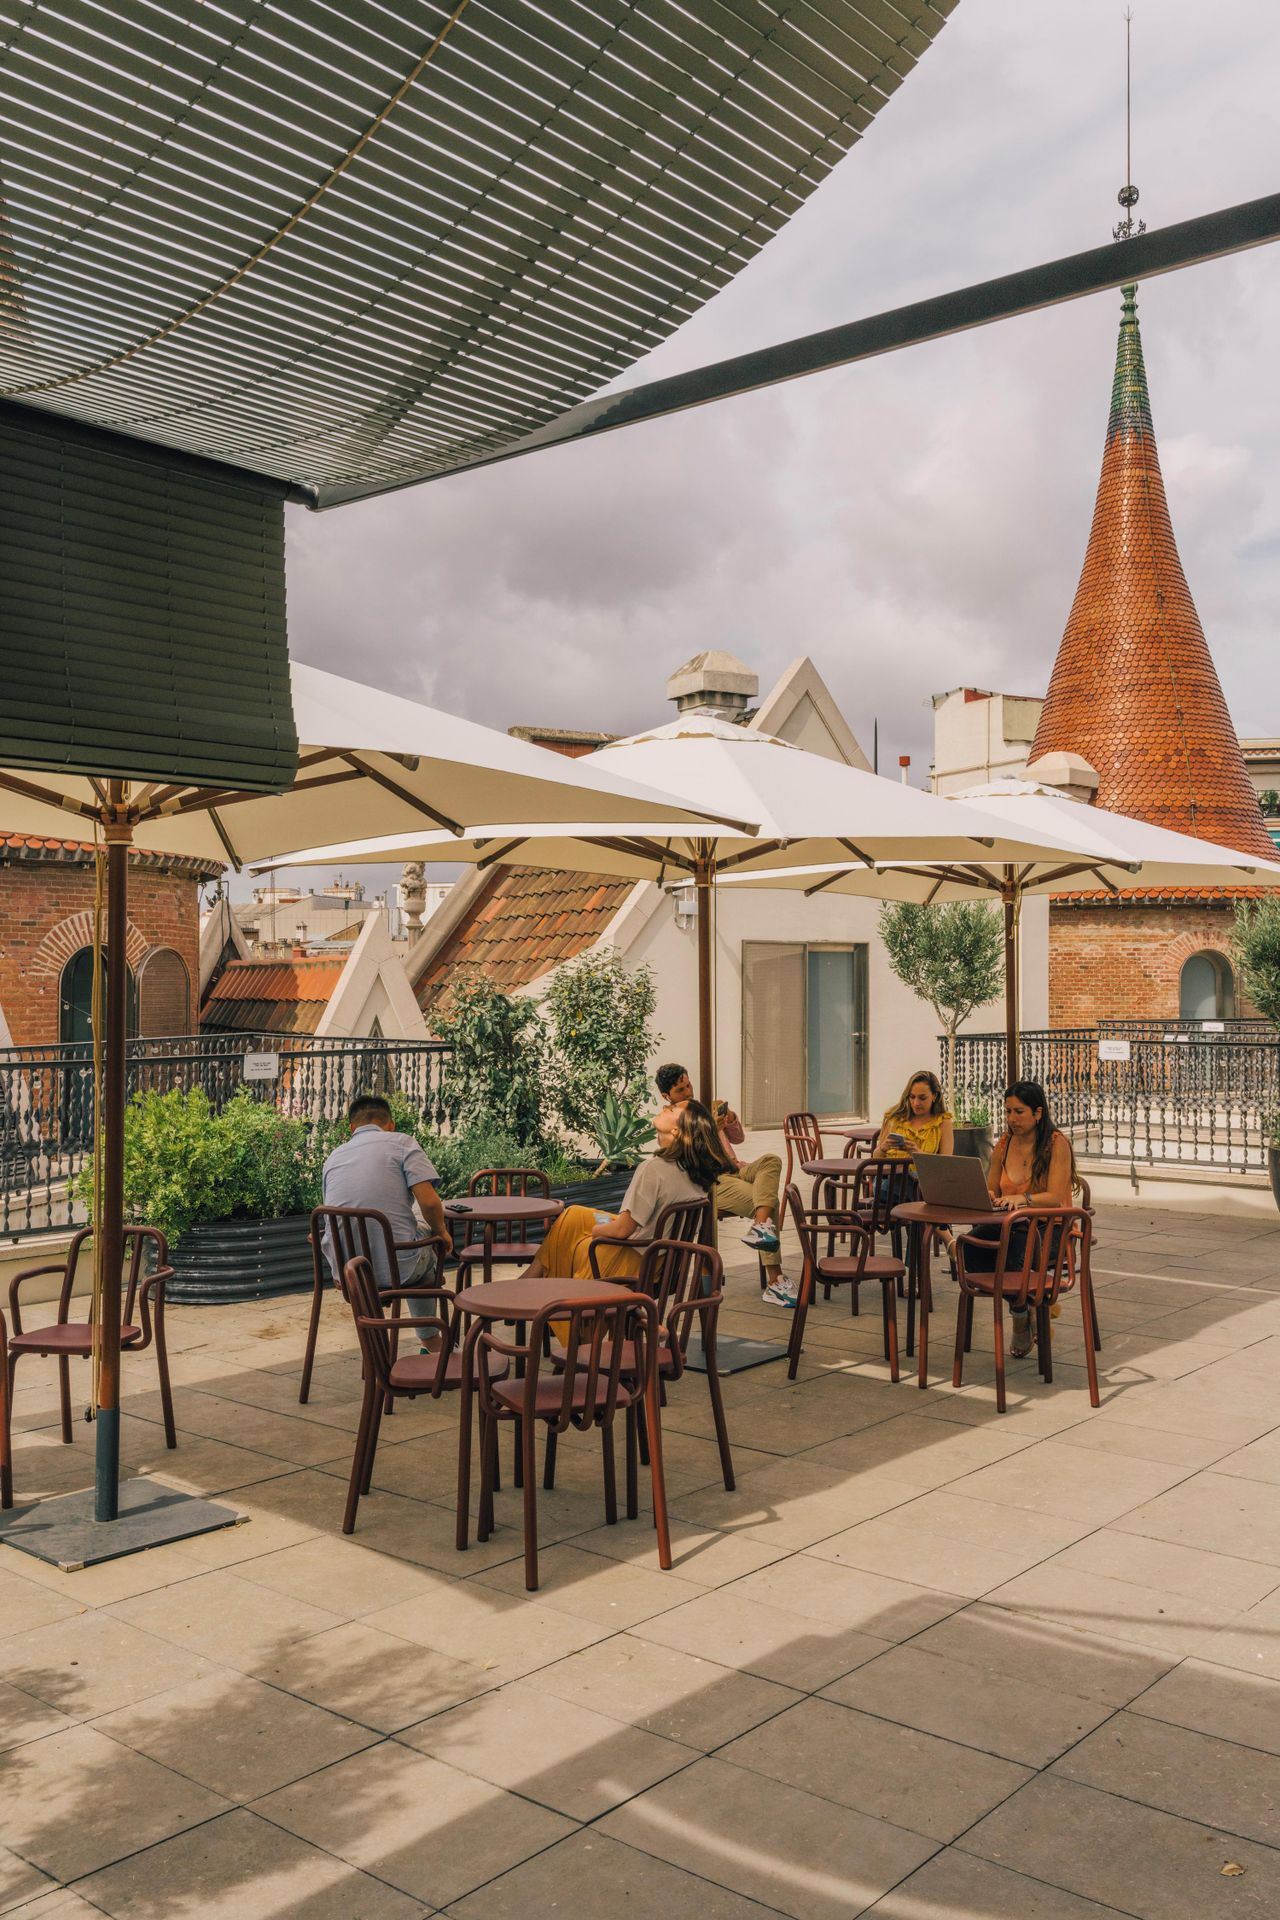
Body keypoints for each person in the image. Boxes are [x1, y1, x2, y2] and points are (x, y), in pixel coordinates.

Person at [529, 1100, 733, 1283]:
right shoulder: (694, 1173)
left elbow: (622, 1230)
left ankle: (539, 1292)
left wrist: (594, 1232)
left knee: (578, 1243)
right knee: (573, 1216)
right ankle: (531, 1280)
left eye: (671, 1109)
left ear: (676, 1131)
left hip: (631, 1259)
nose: (664, 1107)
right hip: (659, 1261)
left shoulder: (654, 1168)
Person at [653, 1063, 794, 1307]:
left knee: (771, 1161)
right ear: (667, 1096)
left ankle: (761, 1226)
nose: (688, 1092)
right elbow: (687, 1160)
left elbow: (738, 1138)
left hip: (736, 1169)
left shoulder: (703, 1108)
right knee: (769, 1202)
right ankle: (774, 1280)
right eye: (680, 1090)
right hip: (714, 1180)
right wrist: (710, 1131)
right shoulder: (672, 1122)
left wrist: (730, 1119)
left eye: (688, 1085)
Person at [955, 1080, 1076, 1359]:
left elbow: (1056, 1196)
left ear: (1038, 1113)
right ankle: (1029, 1306)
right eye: (1008, 1111)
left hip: (1050, 1227)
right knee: (968, 1246)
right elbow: (993, 1188)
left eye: (1018, 1112)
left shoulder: (1056, 1144)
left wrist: (1023, 1199)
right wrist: (981, 1193)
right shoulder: (1005, 1143)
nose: (1011, 1119)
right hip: (1011, 1223)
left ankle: (1021, 1316)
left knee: (1013, 1254)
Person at [321, 1093, 449, 1300]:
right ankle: (428, 1332)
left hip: (348, 1271)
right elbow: (430, 1203)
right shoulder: (403, 1143)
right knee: (427, 1236)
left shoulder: (333, 1157)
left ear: (352, 1129)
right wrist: (441, 1232)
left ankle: (371, 1325)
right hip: (400, 1271)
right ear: (391, 1125)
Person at [874, 1070, 954, 1161]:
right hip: (890, 1174)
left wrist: (917, 1154)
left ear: (934, 1096)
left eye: (922, 1098)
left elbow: (946, 1165)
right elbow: (875, 1158)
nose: (916, 1103)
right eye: (912, 1097)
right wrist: (883, 1148)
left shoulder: (943, 1122)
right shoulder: (895, 1118)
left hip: (921, 1174)